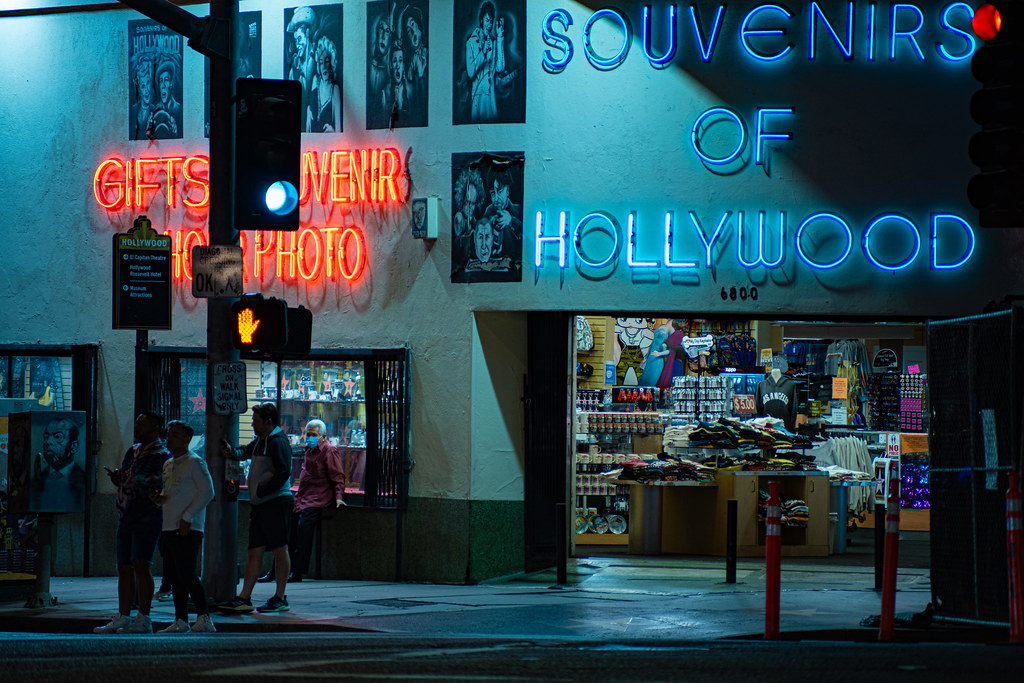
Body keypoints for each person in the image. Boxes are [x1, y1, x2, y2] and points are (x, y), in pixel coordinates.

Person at [93, 411, 170, 634]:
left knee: (142, 565)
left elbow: (154, 480)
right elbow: (127, 475)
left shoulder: (161, 454)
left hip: (147, 515)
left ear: (155, 428)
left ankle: (144, 617)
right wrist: (119, 477)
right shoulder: (134, 450)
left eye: (142, 424)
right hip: (126, 514)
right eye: (137, 422)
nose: (137, 427)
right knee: (124, 566)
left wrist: (127, 478)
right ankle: (123, 616)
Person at [216, 402, 293, 613]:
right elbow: (244, 451)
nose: (252, 424)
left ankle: (280, 597)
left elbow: (284, 471)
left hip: (276, 502)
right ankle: (244, 597)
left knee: (279, 549)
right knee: (254, 551)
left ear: (268, 422)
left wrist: (263, 489)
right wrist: (232, 452)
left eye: (255, 421)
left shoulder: (278, 442)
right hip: (261, 504)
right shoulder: (261, 440)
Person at [257, 418, 345, 583]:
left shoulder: (329, 451)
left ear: (323, 436)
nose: (310, 437)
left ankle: (297, 571)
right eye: (308, 434)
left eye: (314, 435)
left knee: (304, 529)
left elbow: (338, 476)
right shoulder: (309, 451)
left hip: (317, 498)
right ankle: (277, 569)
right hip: (302, 498)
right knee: (284, 529)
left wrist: (339, 498)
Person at [153, 421, 216, 633]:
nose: (169, 438)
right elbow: (170, 492)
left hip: (188, 527)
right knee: (175, 576)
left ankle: (204, 617)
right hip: (169, 525)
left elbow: (208, 491)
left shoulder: (195, 462)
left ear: (187, 439)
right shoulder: (168, 464)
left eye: (175, 435)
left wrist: (188, 516)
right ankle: (181, 619)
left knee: (187, 573)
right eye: (169, 434)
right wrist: (159, 499)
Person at [30, 417, 85, 513]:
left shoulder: (83, 479)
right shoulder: (37, 480)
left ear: (73, 446)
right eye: (46, 437)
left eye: (57, 437)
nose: (49, 442)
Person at [465, 1, 504, 123]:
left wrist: (499, 38)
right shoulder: (471, 43)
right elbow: (470, 73)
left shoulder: (493, 42)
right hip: (478, 97)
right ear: (481, 20)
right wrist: (483, 53)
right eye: (487, 20)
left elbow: (500, 67)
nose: (489, 25)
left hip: (491, 98)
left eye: (491, 21)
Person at [287, 6, 317, 130]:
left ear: (307, 34)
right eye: (295, 41)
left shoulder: (316, 60)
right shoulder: (294, 68)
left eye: (299, 39)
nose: (297, 44)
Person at [482, 166, 522, 260]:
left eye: (499, 191)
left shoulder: (518, 210)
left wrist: (511, 220)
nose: (496, 198)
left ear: (507, 190)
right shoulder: (488, 212)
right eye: (492, 193)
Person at [307, 36, 341, 133]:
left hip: (328, 140)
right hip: (311, 140)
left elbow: (339, 130)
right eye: (321, 63)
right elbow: (309, 118)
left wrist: (332, 130)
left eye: (326, 61)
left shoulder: (335, 89)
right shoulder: (315, 82)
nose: (324, 67)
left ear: (332, 63)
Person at [150, 56, 181, 139]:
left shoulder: (178, 109)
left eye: (166, 80)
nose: (163, 85)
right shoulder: (155, 110)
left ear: (171, 83)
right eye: (161, 81)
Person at [130, 55, 156, 140]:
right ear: (139, 89)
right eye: (143, 86)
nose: (147, 90)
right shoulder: (133, 110)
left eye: (148, 83)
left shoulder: (155, 109)